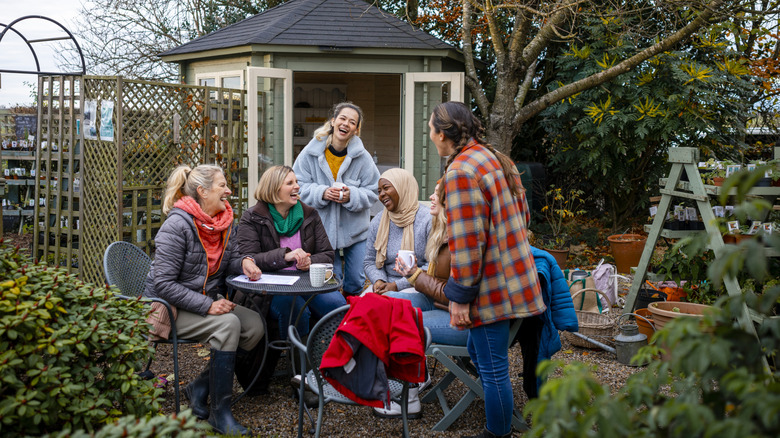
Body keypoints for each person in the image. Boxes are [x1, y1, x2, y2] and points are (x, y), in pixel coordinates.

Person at [431, 101, 546, 438]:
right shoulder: (494, 157)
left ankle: (498, 433)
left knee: (495, 370)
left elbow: (466, 244)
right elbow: (523, 216)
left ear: (443, 134)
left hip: (491, 285)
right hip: (515, 276)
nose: (431, 136)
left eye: (431, 129)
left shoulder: (461, 171)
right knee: (477, 353)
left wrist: (461, 296)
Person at [144, 164, 264, 436]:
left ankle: (199, 387)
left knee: (255, 326)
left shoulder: (221, 223)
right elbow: (163, 284)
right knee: (228, 324)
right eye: (222, 185)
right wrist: (208, 305)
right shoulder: (177, 225)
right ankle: (220, 413)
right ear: (202, 191)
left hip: (200, 300)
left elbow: (227, 260)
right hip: (167, 307)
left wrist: (243, 262)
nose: (229, 191)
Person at [236, 165, 344, 343]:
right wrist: (284, 256)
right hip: (272, 289)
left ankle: (328, 357)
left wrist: (310, 262)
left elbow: (327, 254)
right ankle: (301, 365)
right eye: (290, 183)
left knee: (337, 305)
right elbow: (249, 257)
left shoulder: (309, 214)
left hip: (308, 282)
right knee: (297, 311)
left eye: (296, 182)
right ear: (273, 189)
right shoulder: (252, 217)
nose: (297, 187)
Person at [293, 102, 380, 295]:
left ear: (356, 130)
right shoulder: (310, 154)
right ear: (333, 121)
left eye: (352, 122)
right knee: (330, 281)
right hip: (321, 230)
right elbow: (298, 185)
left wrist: (352, 196)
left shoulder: (363, 158)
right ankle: (332, 320)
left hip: (356, 232)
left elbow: (374, 191)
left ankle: (352, 317)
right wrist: (321, 192)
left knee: (356, 281)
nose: (346, 124)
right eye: (342, 118)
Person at [363, 168, 430, 296]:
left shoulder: (427, 219)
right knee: (360, 308)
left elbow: (432, 266)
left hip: (418, 287)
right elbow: (370, 261)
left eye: (386, 188)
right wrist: (378, 280)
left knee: (382, 308)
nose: (381, 194)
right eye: (379, 191)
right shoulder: (378, 221)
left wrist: (397, 286)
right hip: (384, 285)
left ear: (402, 187)